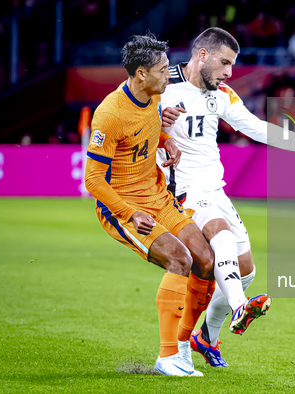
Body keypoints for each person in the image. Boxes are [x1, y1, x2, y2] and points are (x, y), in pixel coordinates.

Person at [159, 27, 295, 367]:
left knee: (246, 268)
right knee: (220, 233)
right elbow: (131, 117)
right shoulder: (162, 85)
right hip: (183, 189)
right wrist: (156, 123)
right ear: (202, 55)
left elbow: (256, 126)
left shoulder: (221, 93)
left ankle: (206, 335)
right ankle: (240, 305)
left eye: (232, 66)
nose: (229, 73)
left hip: (215, 188)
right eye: (225, 63)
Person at [84, 33, 216, 377]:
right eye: (161, 69)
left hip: (158, 197)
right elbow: (93, 180)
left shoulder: (154, 96)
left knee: (206, 260)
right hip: (125, 208)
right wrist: (129, 213)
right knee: (180, 259)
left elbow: (149, 131)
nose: (168, 73)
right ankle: (167, 356)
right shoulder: (110, 114)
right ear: (141, 73)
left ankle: (184, 345)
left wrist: (168, 141)